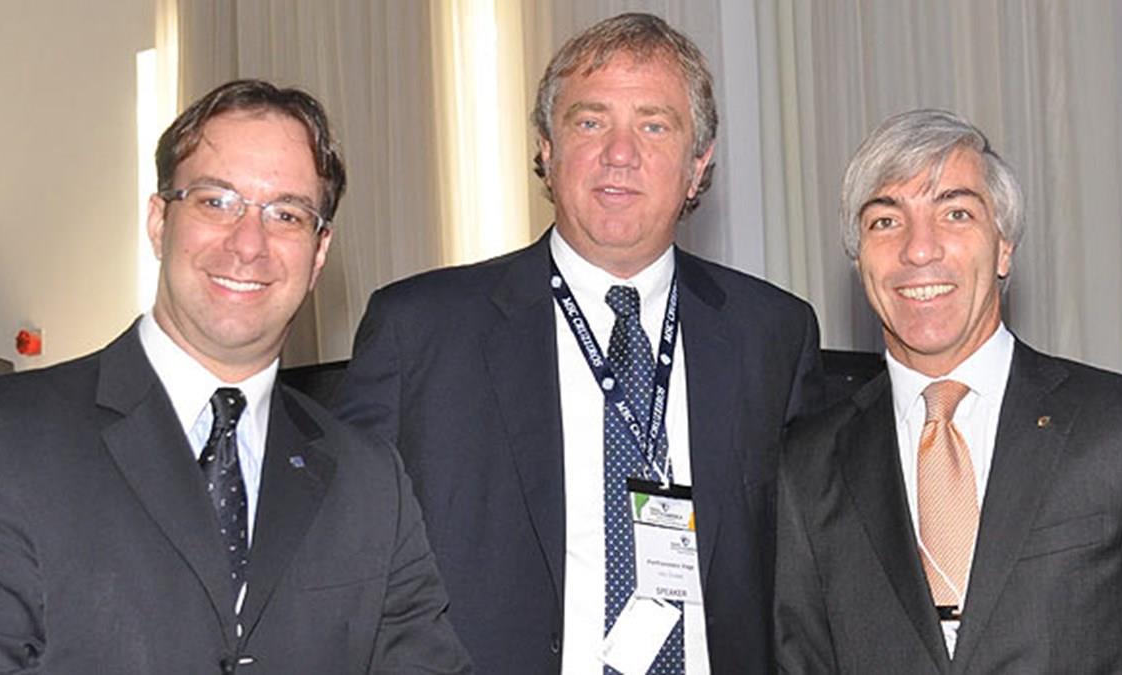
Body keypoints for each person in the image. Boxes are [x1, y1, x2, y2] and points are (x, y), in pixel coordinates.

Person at [335, 12, 822, 674]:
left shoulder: (774, 334)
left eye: (654, 126)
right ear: (546, 148)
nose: (619, 153)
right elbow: (346, 568)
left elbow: (807, 576)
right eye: (590, 123)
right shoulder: (419, 333)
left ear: (698, 164)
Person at [0, 79, 471, 674]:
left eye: (286, 214)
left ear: (319, 253)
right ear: (159, 221)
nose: (248, 244)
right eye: (216, 202)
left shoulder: (371, 482)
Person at [774, 108, 1122, 673]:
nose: (919, 250)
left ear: (1004, 246)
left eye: (955, 213)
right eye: (885, 221)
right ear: (859, 260)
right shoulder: (807, 465)